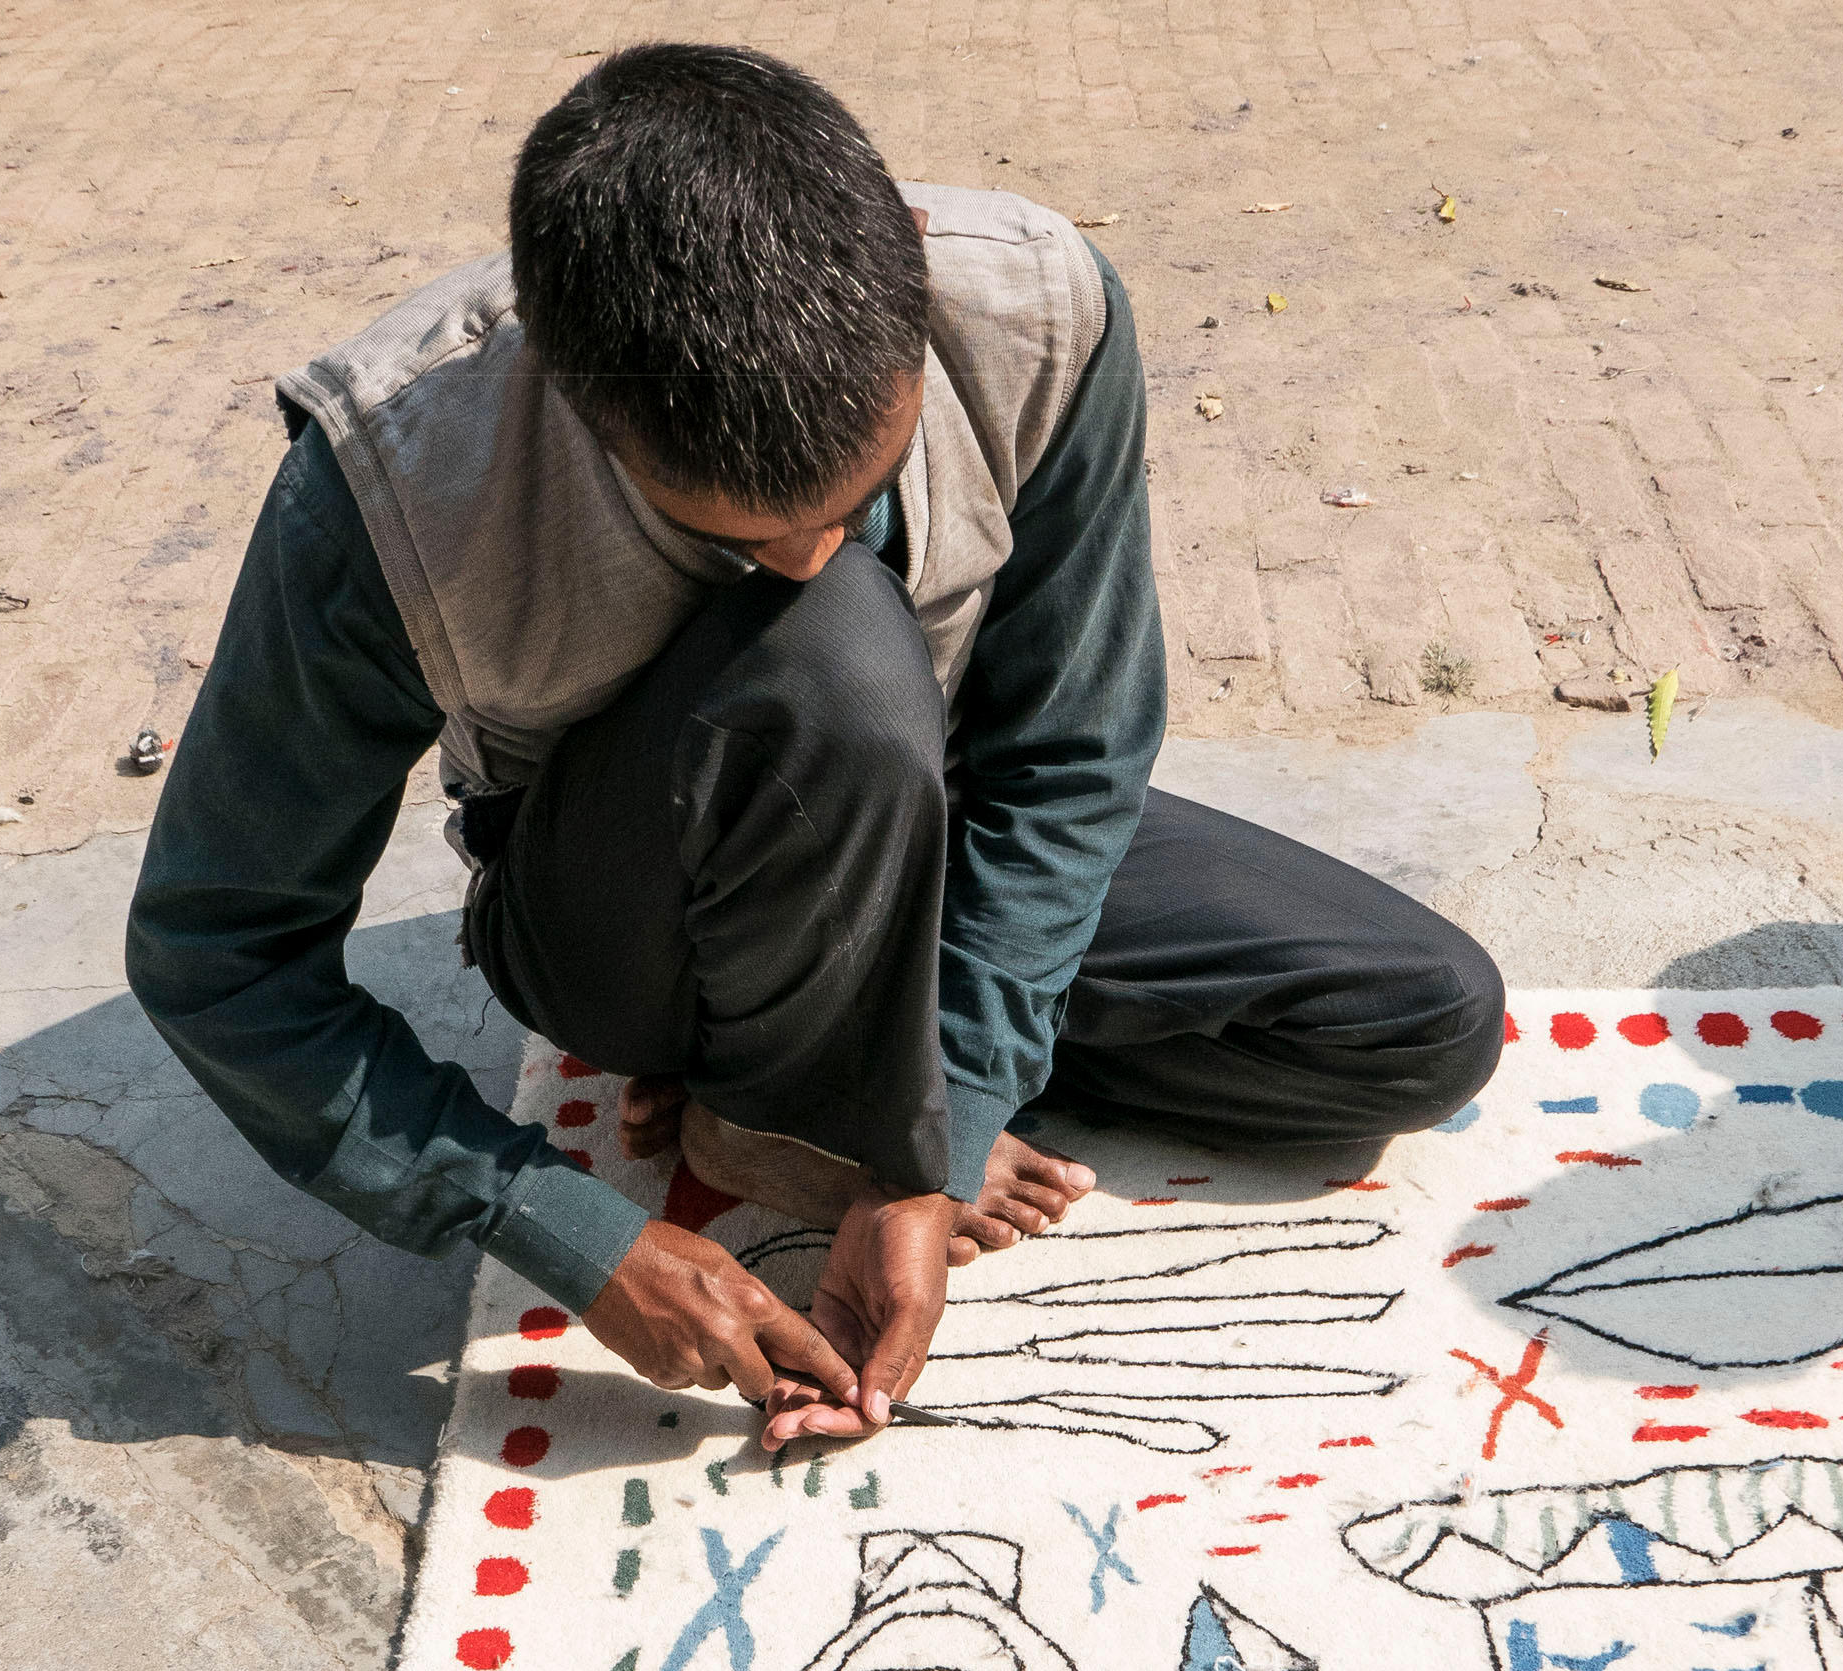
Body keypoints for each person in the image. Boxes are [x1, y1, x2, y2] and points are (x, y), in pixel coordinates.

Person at [126, 43, 1504, 1451]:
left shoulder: (1036, 310)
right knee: (836, 646)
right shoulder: (394, 476)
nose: (804, 551)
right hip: (631, 920)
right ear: (574, 397)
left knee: (1417, 1028)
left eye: (862, 489)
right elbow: (215, 954)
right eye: (725, 529)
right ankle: (783, 1096)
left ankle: (818, 1092)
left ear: (910, 273)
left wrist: (941, 1125)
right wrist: (564, 1226)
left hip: (915, 811)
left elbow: (1065, 747)